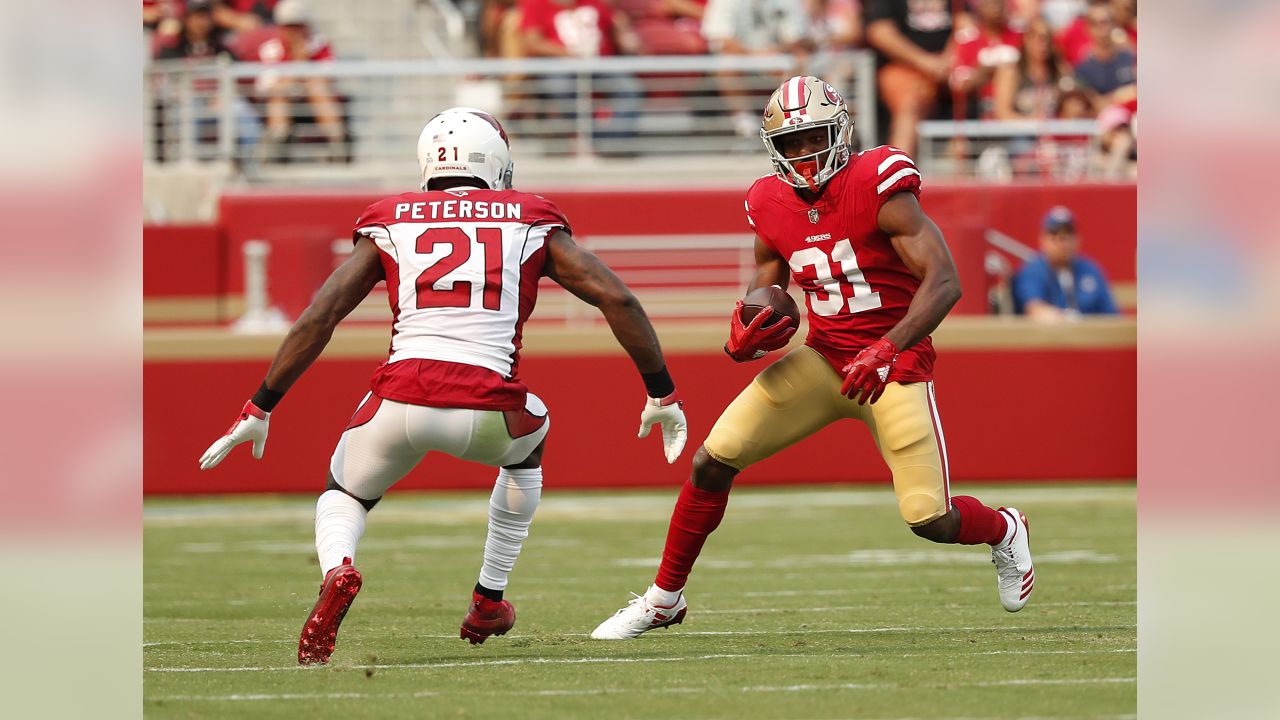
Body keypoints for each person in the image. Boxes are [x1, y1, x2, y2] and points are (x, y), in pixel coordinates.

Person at [198, 107, 690, 665]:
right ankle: (488, 598)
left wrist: (260, 406)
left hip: (397, 400)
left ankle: (339, 568)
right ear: (497, 161)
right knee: (533, 440)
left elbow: (320, 316)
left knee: (343, 493)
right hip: (487, 406)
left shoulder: (392, 216)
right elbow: (617, 299)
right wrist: (662, 391)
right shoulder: (529, 217)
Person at [591, 76, 1035, 640]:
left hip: (892, 370)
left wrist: (887, 345)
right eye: (792, 144)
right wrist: (745, 328)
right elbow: (767, 278)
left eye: (813, 138)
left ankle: (1004, 529)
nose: (804, 155)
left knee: (930, 519)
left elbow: (945, 281)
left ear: (840, 131)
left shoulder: (878, 181)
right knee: (713, 459)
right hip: (825, 361)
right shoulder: (766, 201)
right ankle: (664, 599)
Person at [864, 0, 954, 155]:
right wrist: (925, 62)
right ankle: (899, 170)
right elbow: (880, 32)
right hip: (904, 67)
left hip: (951, 65)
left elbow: (968, 26)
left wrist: (949, 59)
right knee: (911, 102)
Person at [1011, 205, 1118, 320]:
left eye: (1068, 234)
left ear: (1078, 239)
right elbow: (1035, 308)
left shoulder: (1090, 270)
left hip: (1091, 336)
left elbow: (1111, 315)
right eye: (1054, 235)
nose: (1062, 242)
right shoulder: (1032, 271)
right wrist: (1065, 320)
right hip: (1050, 337)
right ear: (1042, 239)